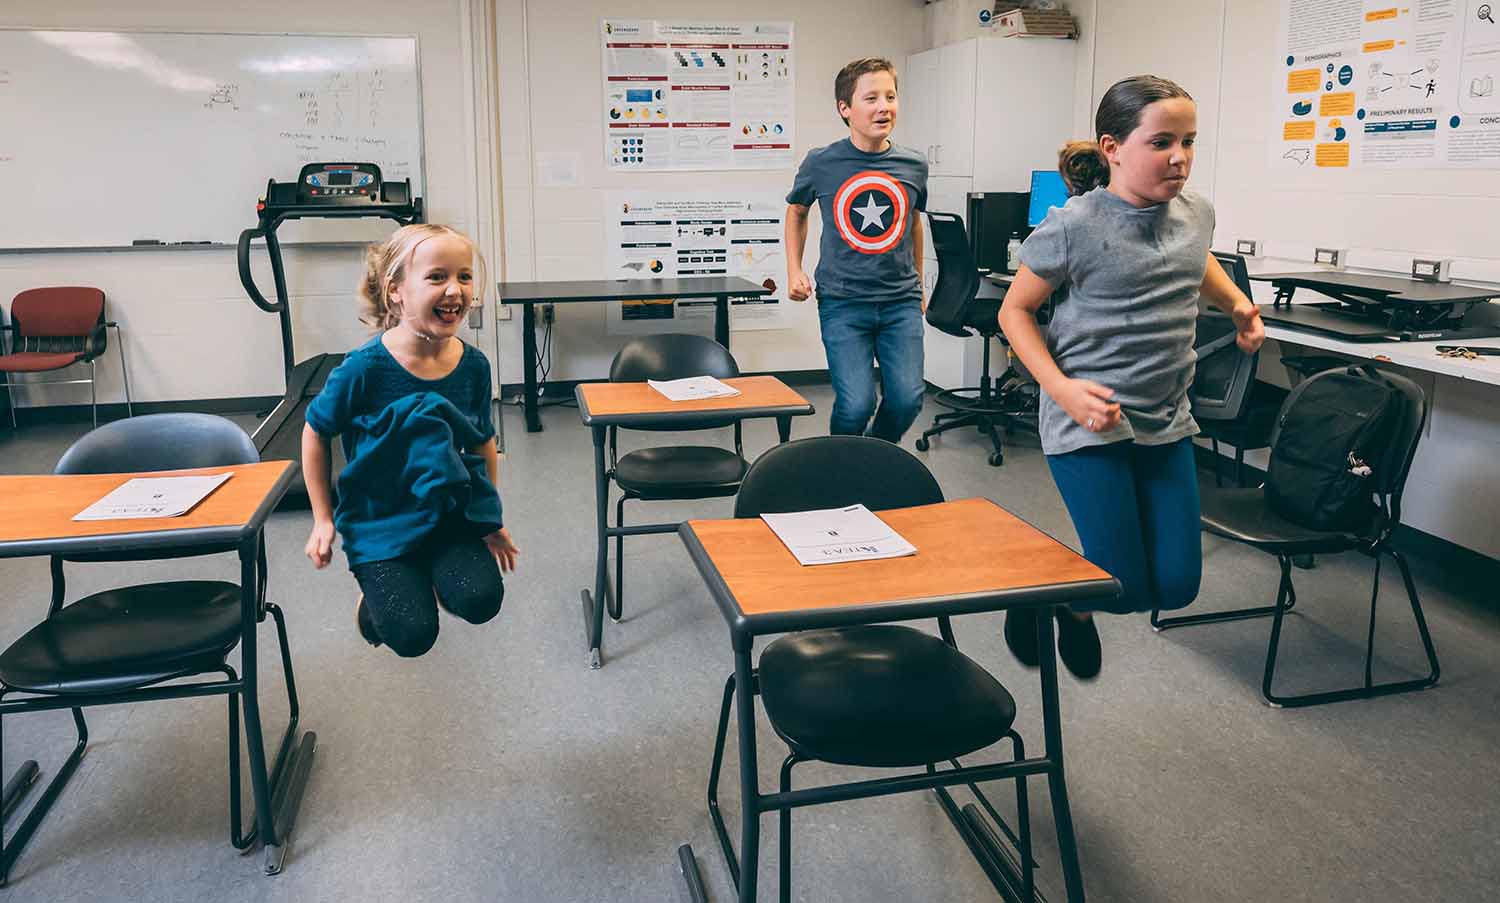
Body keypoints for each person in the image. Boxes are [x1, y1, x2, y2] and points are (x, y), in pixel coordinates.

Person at [997, 75, 1265, 679]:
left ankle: (1068, 601)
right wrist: (1060, 388)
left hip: (1167, 418)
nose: (1180, 158)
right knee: (1122, 581)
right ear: (1113, 147)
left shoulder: (1198, 213)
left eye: (1190, 142)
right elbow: (1013, 311)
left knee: (1174, 587)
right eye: (1162, 142)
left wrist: (1238, 307)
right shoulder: (1073, 225)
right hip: (1088, 421)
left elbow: (1198, 264)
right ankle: (1048, 593)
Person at [302, 223, 520, 658]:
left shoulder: (474, 366)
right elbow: (315, 433)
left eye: (464, 276)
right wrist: (323, 520)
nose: (455, 290)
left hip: (446, 511)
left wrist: (490, 518)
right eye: (437, 277)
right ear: (396, 291)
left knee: (482, 601)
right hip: (379, 517)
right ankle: (375, 597)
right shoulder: (363, 369)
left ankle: (427, 573)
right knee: (411, 636)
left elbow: (482, 443)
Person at [785, 57, 929, 443]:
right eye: (871, 98)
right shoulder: (822, 163)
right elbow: (797, 211)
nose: (884, 106)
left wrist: (919, 284)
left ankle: (873, 456)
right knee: (856, 404)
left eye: (891, 96)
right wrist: (793, 270)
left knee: (908, 398)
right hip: (844, 301)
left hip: (900, 301)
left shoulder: (914, 165)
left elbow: (912, 222)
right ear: (845, 109)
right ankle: (842, 463)